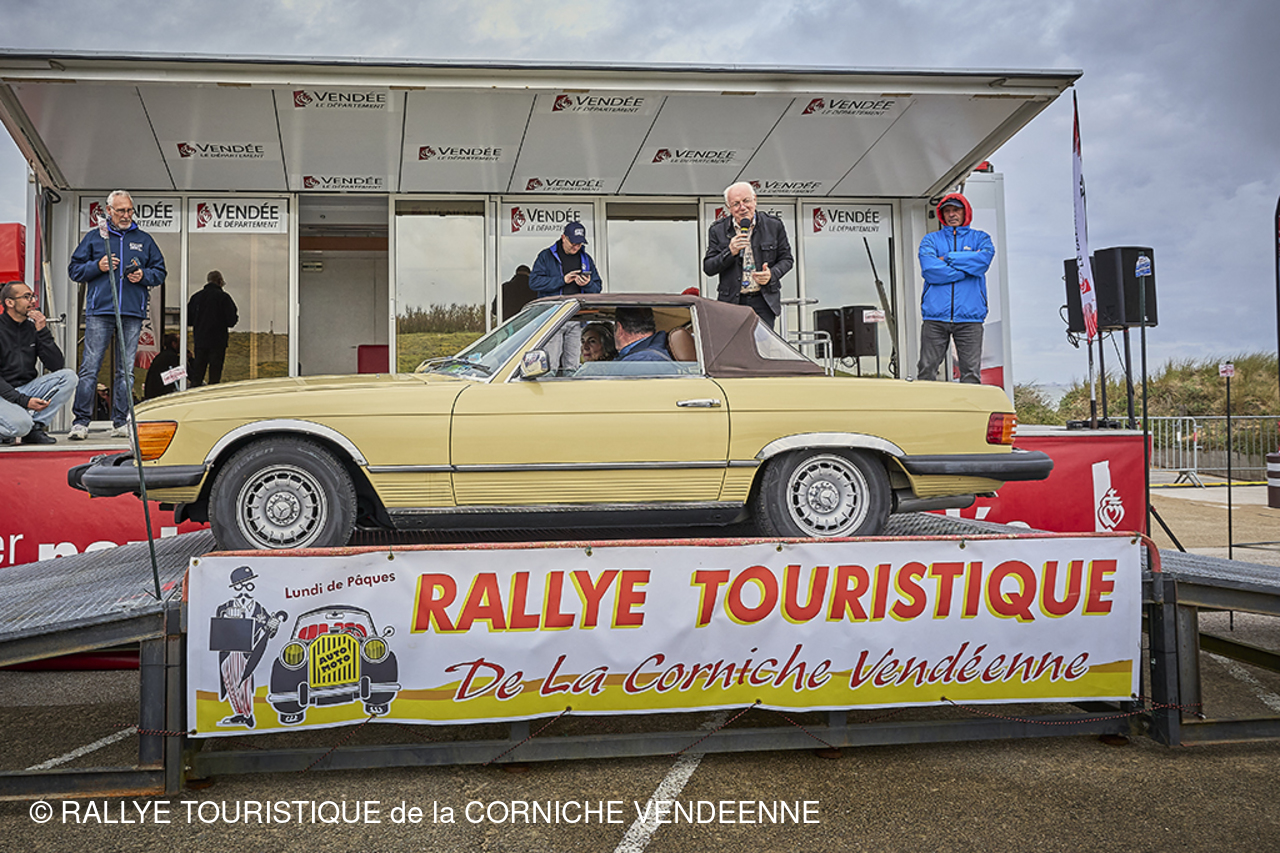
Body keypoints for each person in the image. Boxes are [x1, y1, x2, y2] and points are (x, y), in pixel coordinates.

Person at [67, 190, 166, 439]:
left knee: (126, 371)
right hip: (100, 311)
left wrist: (143, 275)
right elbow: (74, 270)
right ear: (109, 210)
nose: (126, 215)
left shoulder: (144, 239)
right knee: (90, 367)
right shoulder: (94, 237)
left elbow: (160, 272)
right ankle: (81, 422)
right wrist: (97, 266)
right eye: (121, 210)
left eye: (129, 210)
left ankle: (121, 422)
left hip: (131, 313)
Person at [916, 193, 994, 384]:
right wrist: (966, 270)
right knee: (926, 371)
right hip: (935, 317)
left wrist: (948, 257)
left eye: (956, 210)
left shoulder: (981, 238)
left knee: (971, 374)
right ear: (942, 215)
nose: (951, 214)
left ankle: (969, 405)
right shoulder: (930, 240)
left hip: (970, 318)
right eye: (947, 211)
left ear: (965, 212)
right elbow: (930, 270)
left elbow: (982, 262)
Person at [702, 182, 794, 328]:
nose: (742, 207)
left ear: (755, 200)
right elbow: (708, 267)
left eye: (746, 201)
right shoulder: (717, 230)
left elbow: (787, 259)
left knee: (761, 342)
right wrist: (730, 251)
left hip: (764, 300)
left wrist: (772, 274)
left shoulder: (773, 225)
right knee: (734, 342)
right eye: (736, 204)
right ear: (728, 208)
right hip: (732, 302)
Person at [0, 281, 76, 445]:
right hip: (2, 393)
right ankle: (17, 428)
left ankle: (35, 428)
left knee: (69, 376)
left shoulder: (32, 328)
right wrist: (23, 401)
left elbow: (56, 365)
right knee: (21, 426)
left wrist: (42, 331)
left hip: (24, 388)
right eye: (26, 297)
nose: (33, 301)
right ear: (10, 302)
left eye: (33, 296)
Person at [212, 565, 284, 729]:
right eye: (239, 586)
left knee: (244, 682)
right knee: (230, 681)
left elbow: (269, 631)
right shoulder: (225, 607)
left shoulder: (259, 609)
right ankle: (239, 712)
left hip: (249, 654)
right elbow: (218, 630)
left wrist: (273, 626)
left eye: (248, 585)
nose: (244, 591)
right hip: (229, 653)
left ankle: (247, 714)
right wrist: (229, 620)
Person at [529, 222, 602, 373]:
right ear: (563, 238)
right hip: (553, 317)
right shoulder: (546, 256)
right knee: (550, 366)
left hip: (577, 318)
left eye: (579, 244)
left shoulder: (586, 259)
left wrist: (587, 284)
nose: (576, 247)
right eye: (573, 243)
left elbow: (597, 288)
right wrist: (562, 280)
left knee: (572, 366)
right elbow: (534, 282)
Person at [188, 269, 238, 387]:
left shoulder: (196, 297)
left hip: (200, 341)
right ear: (220, 281)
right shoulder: (224, 298)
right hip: (217, 342)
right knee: (215, 376)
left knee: (197, 375)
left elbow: (188, 319)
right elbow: (231, 320)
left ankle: (194, 395)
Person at [144, 333, 183, 400]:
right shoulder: (171, 357)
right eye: (180, 343)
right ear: (174, 344)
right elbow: (185, 373)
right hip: (160, 394)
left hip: (152, 393)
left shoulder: (162, 356)